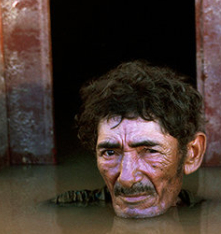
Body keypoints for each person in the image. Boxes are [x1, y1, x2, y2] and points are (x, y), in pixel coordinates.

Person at [53, 61, 207, 219]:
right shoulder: (59, 212)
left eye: (150, 151)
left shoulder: (214, 214)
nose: (127, 178)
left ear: (192, 154)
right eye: (110, 152)